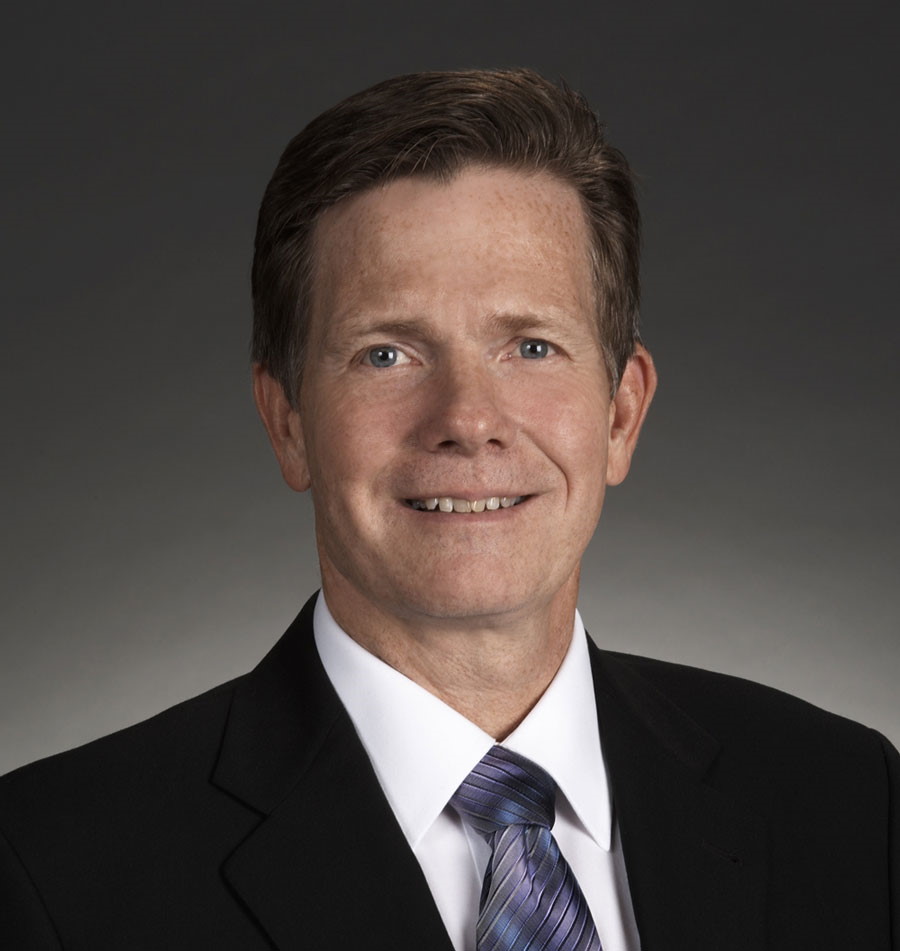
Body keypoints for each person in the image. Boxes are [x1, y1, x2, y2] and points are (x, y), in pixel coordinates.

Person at [0, 68, 896, 951]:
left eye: (531, 346)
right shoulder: (49, 867)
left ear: (621, 414)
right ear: (288, 423)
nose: (467, 419)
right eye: (387, 354)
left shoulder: (853, 801)